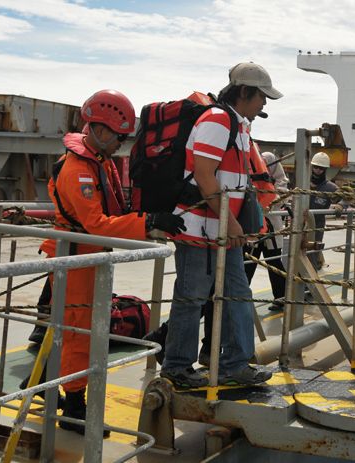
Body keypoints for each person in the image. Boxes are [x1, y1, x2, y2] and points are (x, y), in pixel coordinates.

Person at [39, 89, 185, 435]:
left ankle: (53, 388)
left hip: (87, 257)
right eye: (118, 136)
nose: (120, 143)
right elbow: (96, 224)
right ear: (100, 130)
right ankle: (74, 408)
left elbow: (113, 211)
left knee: (75, 327)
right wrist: (148, 222)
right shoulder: (79, 170)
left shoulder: (97, 162)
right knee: (79, 332)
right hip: (75, 257)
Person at [161, 62, 281, 389]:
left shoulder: (238, 127)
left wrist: (237, 222)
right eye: (261, 97)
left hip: (222, 230)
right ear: (244, 92)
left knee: (237, 294)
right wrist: (231, 222)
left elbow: (232, 180)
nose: (264, 104)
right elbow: (204, 175)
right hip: (199, 228)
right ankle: (176, 367)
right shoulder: (216, 121)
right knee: (192, 297)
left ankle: (235, 364)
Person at [253, 150, 288, 310]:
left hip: (271, 225)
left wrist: (269, 196)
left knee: (274, 262)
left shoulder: (280, 181)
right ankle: (238, 298)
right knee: (248, 262)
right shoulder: (252, 170)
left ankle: (282, 297)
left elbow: (281, 196)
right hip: (253, 225)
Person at [307, 152, 343, 271]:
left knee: (312, 255)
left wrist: (340, 205)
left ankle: (309, 286)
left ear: (325, 169)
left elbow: (347, 198)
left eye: (321, 168)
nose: (318, 170)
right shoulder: (303, 183)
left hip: (317, 227)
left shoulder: (330, 188)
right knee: (296, 254)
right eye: (316, 167)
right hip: (300, 225)